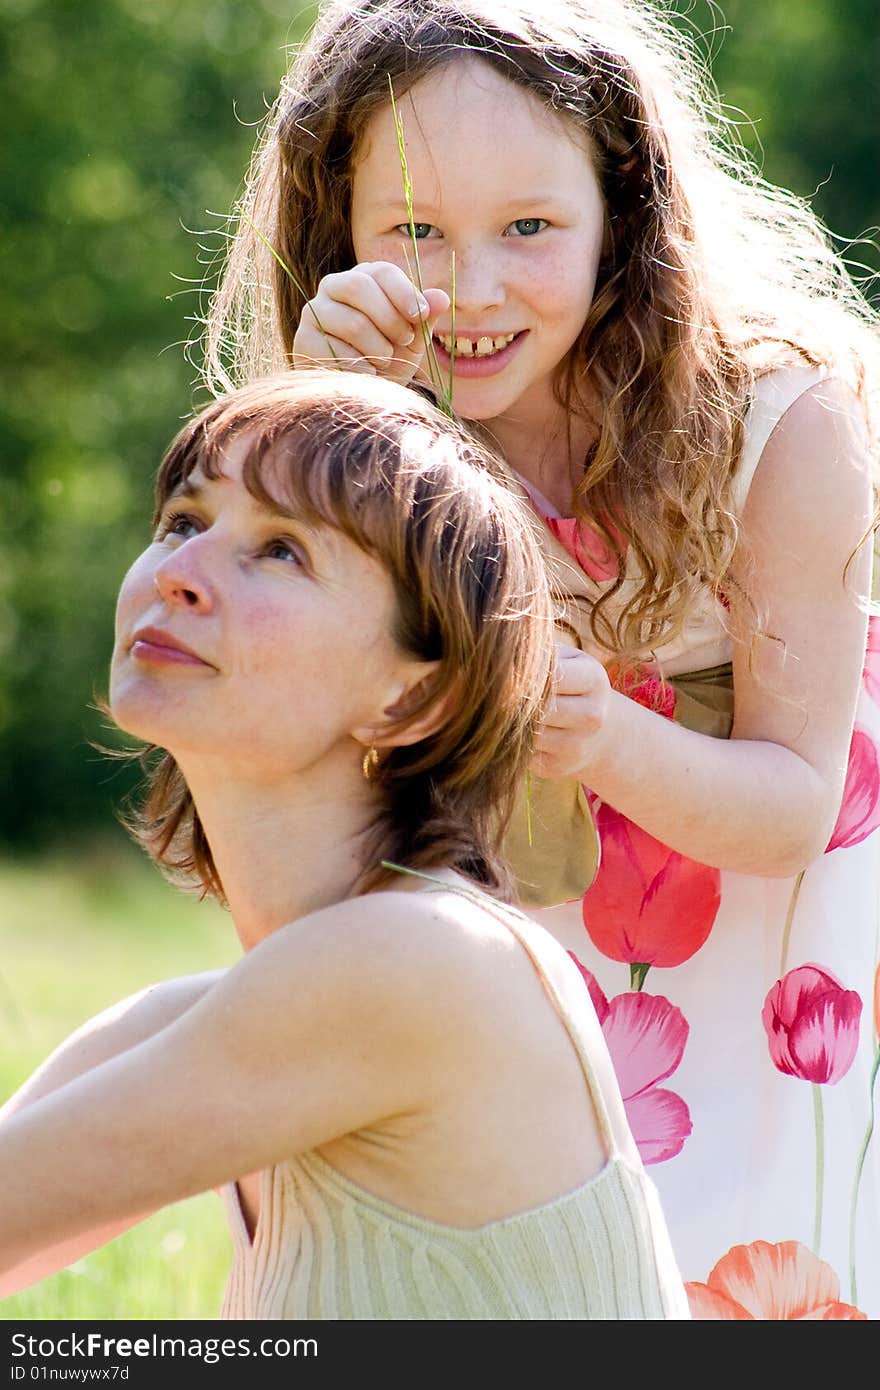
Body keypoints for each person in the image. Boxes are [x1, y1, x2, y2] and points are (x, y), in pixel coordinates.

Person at [202, 0, 880, 1318]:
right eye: (413, 230)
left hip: (772, 961)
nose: (468, 289)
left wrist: (603, 734)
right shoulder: (361, 417)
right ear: (337, 227)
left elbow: (798, 808)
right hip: (495, 948)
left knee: (730, 1283)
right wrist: (330, 447)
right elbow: (285, 770)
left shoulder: (783, 423)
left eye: (529, 228)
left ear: (621, 212)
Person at [0, 370, 691, 1320]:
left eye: (281, 550)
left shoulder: (417, 962)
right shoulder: (203, 1018)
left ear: (413, 696)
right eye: (184, 520)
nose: (177, 571)